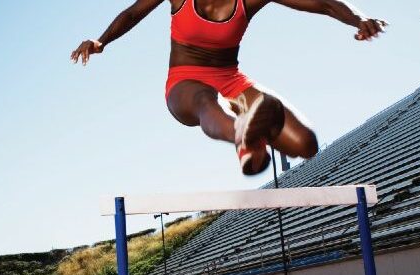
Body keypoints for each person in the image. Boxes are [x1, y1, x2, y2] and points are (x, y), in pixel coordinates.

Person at [71, 0, 386, 175]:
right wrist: (101, 41)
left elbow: (323, 3)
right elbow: (132, 13)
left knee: (305, 144)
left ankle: (253, 129)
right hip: (184, 81)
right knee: (206, 101)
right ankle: (242, 134)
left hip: (230, 78)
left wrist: (359, 20)